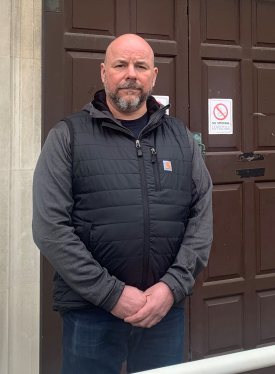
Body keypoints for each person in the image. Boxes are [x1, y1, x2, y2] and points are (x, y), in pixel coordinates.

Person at [33, 33, 213, 373]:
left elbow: (201, 214)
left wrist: (171, 286)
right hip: (91, 312)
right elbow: (50, 228)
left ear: (154, 76)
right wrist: (111, 294)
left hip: (164, 310)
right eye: (120, 65)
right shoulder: (68, 135)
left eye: (140, 66)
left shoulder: (180, 137)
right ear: (104, 72)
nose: (131, 74)